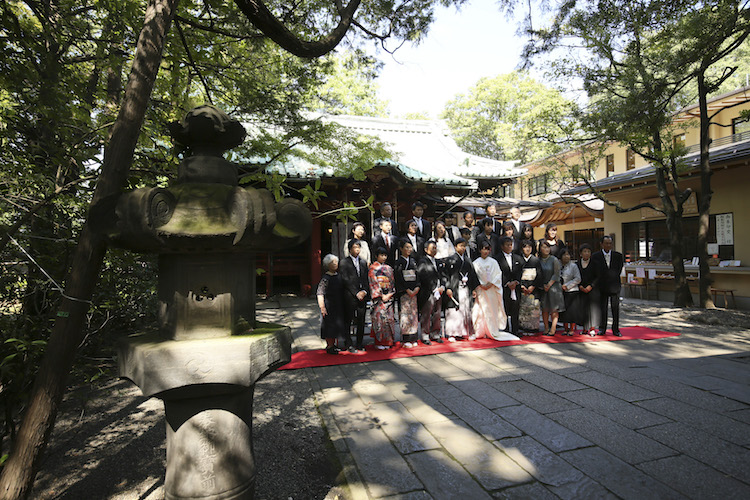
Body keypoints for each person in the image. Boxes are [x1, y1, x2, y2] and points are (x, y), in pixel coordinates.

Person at [472, 240, 517, 340]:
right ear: (479, 250)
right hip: (481, 289)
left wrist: (491, 283)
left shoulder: (493, 262)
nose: (485, 251)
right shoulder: (475, 263)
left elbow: (498, 275)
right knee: (480, 310)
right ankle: (479, 331)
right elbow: (473, 276)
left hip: (491, 289)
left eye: (487, 249)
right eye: (483, 249)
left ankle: (492, 330)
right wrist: (480, 284)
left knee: (492, 310)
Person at [443, 238, 480, 342]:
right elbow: (446, 275)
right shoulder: (450, 259)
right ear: (455, 247)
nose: (463, 248)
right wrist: (448, 287)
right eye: (460, 246)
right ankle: (452, 334)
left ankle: (463, 332)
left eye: (464, 246)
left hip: (466, 288)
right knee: (454, 310)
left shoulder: (468, 260)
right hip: (455, 288)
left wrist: (473, 289)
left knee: (465, 310)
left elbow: (472, 275)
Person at [339, 239, 370, 352]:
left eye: (358, 247)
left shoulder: (363, 262)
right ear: (350, 249)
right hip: (350, 295)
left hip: (363, 294)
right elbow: (345, 280)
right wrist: (356, 292)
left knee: (361, 319)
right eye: (355, 247)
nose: (357, 250)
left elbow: (366, 278)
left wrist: (365, 291)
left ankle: (360, 343)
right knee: (348, 319)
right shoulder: (344, 262)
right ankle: (348, 343)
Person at [591, 235, 624, 336]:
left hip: (614, 285)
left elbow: (619, 269)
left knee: (615, 308)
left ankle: (616, 329)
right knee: (602, 308)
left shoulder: (618, 256)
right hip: (602, 286)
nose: (609, 245)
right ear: (601, 244)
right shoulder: (595, 256)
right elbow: (595, 271)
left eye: (610, 243)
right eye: (606, 243)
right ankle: (602, 328)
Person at [417, 240, 445, 345]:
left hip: (439, 291)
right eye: (432, 247)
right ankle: (425, 335)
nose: (434, 249)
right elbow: (423, 276)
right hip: (428, 291)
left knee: (437, 313)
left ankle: (435, 333)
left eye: (435, 247)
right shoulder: (422, 261)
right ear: (426, 249)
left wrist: (442, 286)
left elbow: (443, 275)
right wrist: (434, 288)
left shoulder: (438, 261)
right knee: (427, 313)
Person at [394, 239, 421, 348]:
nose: (409, 250)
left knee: (413, 315)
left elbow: (418, 275)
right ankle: (405, 339)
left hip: (414, 291)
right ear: (401, 249)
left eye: (410, 247)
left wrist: (417, 287)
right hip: (404, 292)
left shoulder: (413, 261)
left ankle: (414, 337)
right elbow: (398, 278)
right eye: (406, 247)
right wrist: (406, 289)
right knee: (405, 315)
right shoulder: (398, 262)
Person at [317, 254, 346, 354]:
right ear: (327, 264)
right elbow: (320, 293)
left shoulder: (339, 276)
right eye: (332, 263)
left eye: (336, 262)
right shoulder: (326, 278)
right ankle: (329, 346)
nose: (335, 264)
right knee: (329, 325)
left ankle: (334, 344)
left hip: (338, 304)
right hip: (329, 304)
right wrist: (322, 307)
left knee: (336, 325)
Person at [368, 247, 397, 349]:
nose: (384, 257)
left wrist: (389, 294)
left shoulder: (389, 268)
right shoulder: (372, 269)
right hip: (378, 299)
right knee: (379, 320)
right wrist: (381, 295)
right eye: (381, 255)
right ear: (376, 256)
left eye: (385, 255)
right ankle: (379, 342)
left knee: (389, 320)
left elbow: (392, 283)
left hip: (388, 297)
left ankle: (388, 342)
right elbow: (373, 283)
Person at [497, 236, 524, 336]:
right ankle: (506, 329)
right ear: (502, 246)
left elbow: (520, 271)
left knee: (515, 308)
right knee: (505, 308)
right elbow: (498, 272)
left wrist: (516, 281)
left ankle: (515, 329)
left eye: (510, 245)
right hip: (504, 287)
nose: (509, 247)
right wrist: (507, 283)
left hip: (515, 287)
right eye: (507, 245)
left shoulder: (518, 258)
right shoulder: (497, 258)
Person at [538, 241, 565, 336]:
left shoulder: (554, 259)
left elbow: (557, 274)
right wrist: (543, 285)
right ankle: (546, 328)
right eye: (544, 247)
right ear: (540, 249)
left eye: (548, 247)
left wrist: (549, 284)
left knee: (554, 309)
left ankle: (553, 329)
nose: (546, 249)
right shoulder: (538, 260)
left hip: (554, 288)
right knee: (544, 309)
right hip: (543, 288)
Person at [518, 240, 542, 334]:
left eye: (529, 247)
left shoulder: (536, 260)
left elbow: (539, 275)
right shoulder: (519, 260)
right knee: (523, 309)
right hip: (523, 288)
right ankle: (523, 328)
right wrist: (522, 286)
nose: (527, 249)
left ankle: (533, 328)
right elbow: (517, 274)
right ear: (522, 248)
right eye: (525, 247)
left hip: (533, 288)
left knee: (533, 309)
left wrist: (533, 286)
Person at [577, 243, 600, 337]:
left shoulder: (595, 263)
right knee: (583, 309)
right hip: (581, 289)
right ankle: (584, 328)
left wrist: (591, 286)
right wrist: (580, 286)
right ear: (581, 253)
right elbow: (575, 276)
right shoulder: (577, 264)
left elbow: (598, 277)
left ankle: (592, 328)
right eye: (584, 251)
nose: (586, 253)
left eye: (588, 251)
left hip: (592, 289)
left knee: (592, 310)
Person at [559, 249, 582, 336]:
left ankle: (572, 329)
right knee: (564, 311)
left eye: (568, 254)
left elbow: (578, 278)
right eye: (564, 255)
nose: (566, 256)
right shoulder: (559, 265)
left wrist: (567, 285)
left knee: (572, 311)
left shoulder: (573, 266)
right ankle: (565, 329)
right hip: (561, 291)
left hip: (572, 291)